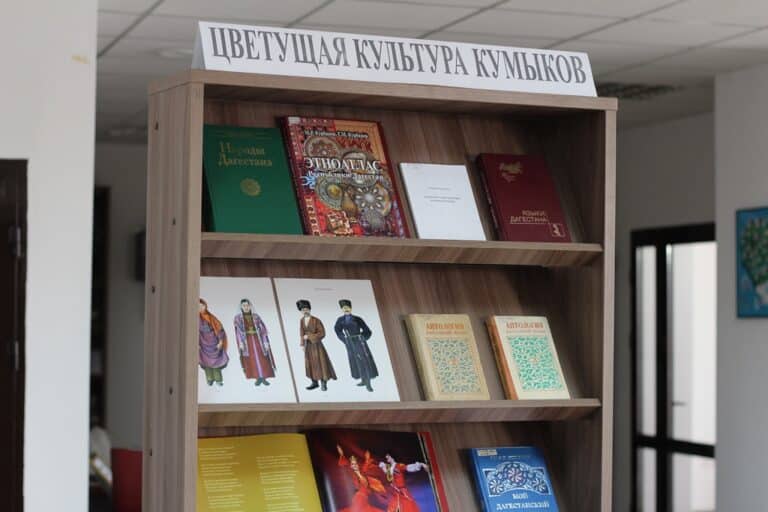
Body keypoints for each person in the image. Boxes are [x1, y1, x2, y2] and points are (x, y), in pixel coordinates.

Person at [334, 299, 378, 391]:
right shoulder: (340, 320)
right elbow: (337, 331)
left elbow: (367, 331)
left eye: (348, 307)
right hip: (349, 343)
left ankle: (368, 383)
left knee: (364, 360)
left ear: (351, 308)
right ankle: (363, 380)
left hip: (359, 342)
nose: (346, 309)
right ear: (342, 309)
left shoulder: (358, 319)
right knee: (355, 361)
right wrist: (344, 339)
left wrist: (363, 337)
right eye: (344, 308)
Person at [234, 298, 275, 386]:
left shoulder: (256, 317)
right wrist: (241, 342)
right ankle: (257, 378)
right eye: (244, 305)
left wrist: (265, 342)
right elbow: (238, 332)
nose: (246, 307)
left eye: (247, 305)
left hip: (258, 340)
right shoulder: (238, 318)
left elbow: (263, 330)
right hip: (247, 342)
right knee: (252, 360)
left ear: (250, 306)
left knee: (262, 358)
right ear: (241, 307)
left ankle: (263, 377)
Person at [298, 299, 336, 391]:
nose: (305, 311)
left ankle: (323, 383)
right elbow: (302, 333)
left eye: (306, 309)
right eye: (303, 310)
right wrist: (302, 344)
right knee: (310, 364)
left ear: (309, 309)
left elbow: (322, 333)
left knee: (320, 363)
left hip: (317, 346)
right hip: (308, 346)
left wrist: (310, 336)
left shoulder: (316, 320)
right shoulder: (302, 320)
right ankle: (314, 382)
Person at [337, 445, 386, 512]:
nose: (354, 465)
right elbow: (344, 464)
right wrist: (341, 454)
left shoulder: (362, 473)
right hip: (358, 497)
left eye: (355, 464)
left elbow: (365, 482)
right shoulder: (353, 473)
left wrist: (367, 459)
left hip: (363, 496)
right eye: (353, 464)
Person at [198, 299, 229, 386]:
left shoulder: (211, 318)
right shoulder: (195, 318)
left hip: (214, 343)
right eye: (198, 306)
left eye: (202, 305)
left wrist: (221, 341)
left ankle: (218, 380)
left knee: (216, 362)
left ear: (205, 306)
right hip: (203, 344)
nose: (200, 308)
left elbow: (219, 329)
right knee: (206, 362)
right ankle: (209, 379)